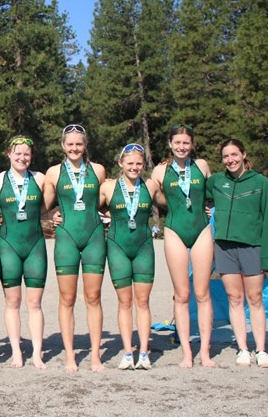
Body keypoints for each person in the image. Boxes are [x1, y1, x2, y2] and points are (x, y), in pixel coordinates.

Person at [150, 124, 215, 367]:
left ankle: (205, 352)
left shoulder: (202, 166)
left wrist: (213, 207)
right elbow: (145, 193)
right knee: (182, 294)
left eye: (186, 143)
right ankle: (187, 352)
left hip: (202, 230)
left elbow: (217, 190)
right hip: (175, 230)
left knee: (202, 292)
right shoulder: (160, 171)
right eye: (177, 142)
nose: (181, 147)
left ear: (192, 144)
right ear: (170, 144)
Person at [43, 123, 107, 372]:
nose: (74, 148)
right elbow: (43, 205)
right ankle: (70, 355)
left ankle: (94, 356)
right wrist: (52, 217)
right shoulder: (53, 173)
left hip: (93, 238)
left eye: (79, 144)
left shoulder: (98, 170)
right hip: (67, 239)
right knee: (67, 298)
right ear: (62, 145)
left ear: (85, 145)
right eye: (70, 144)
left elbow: (110, 197)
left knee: (93, 297)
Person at [208, 139, 268, 368]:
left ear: (244, 154)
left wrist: (266, 257)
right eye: (226, 156)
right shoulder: (217, 181)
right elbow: (192, 187)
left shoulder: (260, 182)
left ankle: (262, 349)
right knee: (234, 299)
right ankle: (243, 349)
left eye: (234, 155)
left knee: (255, 299)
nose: (230, 160)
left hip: (252, 247)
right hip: (225, 248)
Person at [101, 143, 165, 370]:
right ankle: (128, 351)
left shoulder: (150, 185)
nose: (135, 167)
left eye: (139, 163)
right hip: (117, 247)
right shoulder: (108, 187)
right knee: (125, 302)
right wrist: (59, 215)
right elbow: (87, 209)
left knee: (143, 302)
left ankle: (144, 352)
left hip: (144, 248)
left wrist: (204, 208)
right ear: (121, 163)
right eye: (130, 163)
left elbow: (172, 205)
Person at [0, 135, 48, 369]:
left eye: (26, 154)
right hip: (8, 246)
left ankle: (37, 354)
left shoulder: (41, 178)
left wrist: (53, 215)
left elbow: (52, 202)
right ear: (8, 154)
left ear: (31, 156)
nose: (22, 157)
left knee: (35, 303)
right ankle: (16, 353)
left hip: (35, 246)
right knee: (12, 302)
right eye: (17, 153)